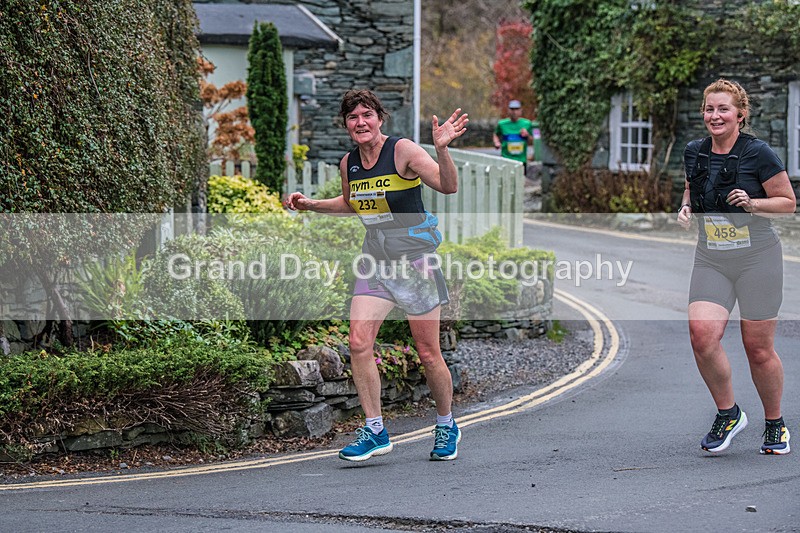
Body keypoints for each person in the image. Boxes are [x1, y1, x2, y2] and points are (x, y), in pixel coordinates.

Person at [284, 89, 468, 462]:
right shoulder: (349, 162)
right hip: (375, 262)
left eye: (367, 115)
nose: (361, 122)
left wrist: (442, 149)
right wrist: (311, 205)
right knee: (357, 342)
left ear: (379, 118)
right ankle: (375, 430)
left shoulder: (402, 151)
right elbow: (352, 203)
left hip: (415, 263)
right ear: (347, 125)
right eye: (353, 117)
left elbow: (448, 186)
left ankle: (447, 423)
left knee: (429, 353)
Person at [677, 78, 796, 455]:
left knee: (757, 349)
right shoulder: (694, 151)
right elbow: (690, 187)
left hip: (757, 258)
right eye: (710, 109)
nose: (715, 115)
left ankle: (774, 423)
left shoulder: (759, 153)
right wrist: (685, 206)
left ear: (740, 115)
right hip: (711, 256)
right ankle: (728, 413)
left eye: (723, 109)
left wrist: (753, 203)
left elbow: (788, 203)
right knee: (701, 335)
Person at [493, 99, 533, 172]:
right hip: (506, 159)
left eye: (517, 109)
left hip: (521, 160)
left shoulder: (527, 124)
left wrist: (527, 135)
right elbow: (496, 134)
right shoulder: (502, 124)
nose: (514, 112)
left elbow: (532, 141)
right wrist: (496, 142)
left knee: (520, 181)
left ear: (521, 110)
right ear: (508, 110)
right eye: (512, 109)